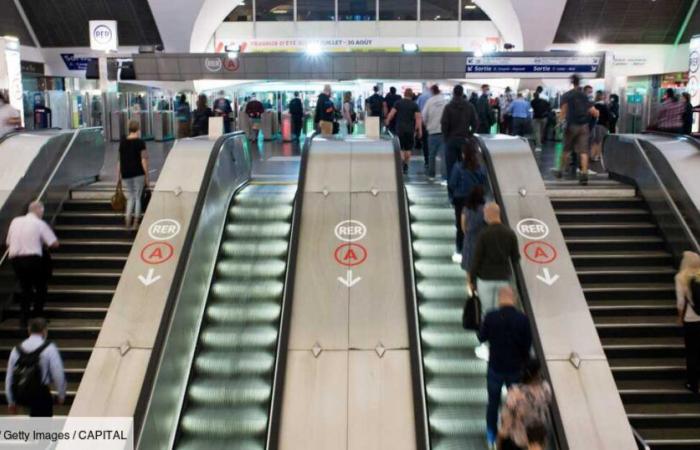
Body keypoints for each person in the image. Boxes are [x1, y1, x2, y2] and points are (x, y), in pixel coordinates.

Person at [478, 286, 532, 448]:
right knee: (515, 404)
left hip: (495, 368)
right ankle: (513, 435)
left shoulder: (491, 316)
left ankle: (491, 435)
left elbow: (481, 337)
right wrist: (523, 363)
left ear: (500, 299)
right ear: (514, 298)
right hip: (515, 370)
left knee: (493, 403)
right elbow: (526, 346)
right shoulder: (523, 319)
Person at [6, 202, 58, 327]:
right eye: (42, 212)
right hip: (33, 259)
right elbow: (54, 243)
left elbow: (8, 242)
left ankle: (23, 319)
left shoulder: (15, 221)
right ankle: (37, 316)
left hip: (15, 260)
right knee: (41, 287)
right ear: (39, 211)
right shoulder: (40, 223)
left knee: (25, 289)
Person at [5, 318, 66, 416]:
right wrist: (61, 395)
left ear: (29, 330)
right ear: (44, 331)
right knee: (42, 428)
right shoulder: (50, 348)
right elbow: (58, 374)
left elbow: (9, 377)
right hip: (41, 395)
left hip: (21, 394)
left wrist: (11, 401)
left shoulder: (16, 350)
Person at [470, 202, 520, 313]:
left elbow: (477, 259)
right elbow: (515, 258)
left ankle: (488, 329)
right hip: (504, 279)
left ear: (489, 213)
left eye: (484, 213)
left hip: (485, 279)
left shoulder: (483, 234)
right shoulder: (510, 233)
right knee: (502, 312)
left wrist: (471, 280)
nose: (484, 216)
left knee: (487, 312)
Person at [554, 74, 599, 185]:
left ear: (571, 82)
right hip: (584, 126)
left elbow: (563, 112)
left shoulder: (567, 95)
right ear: (579, 82)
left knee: (566, 149)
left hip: (571, 126)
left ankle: (560, 170)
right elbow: (594, 112)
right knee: (584, 152)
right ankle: (584, 174)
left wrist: (559, 123)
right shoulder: (584, 96)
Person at [498, 358, 552, 450]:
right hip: (537, 440)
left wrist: (499, 440)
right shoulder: (545, 388)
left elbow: (506, 422)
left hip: (519, 442)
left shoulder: (515, 394)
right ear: (537, 373)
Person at [449, 140, 486, 263]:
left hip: (460, 200)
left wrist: (452, 196)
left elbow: (452, 183)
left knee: (461, 226)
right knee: (477, 225)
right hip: (477, 200)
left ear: (463, 154)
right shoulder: (479, 168)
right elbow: (483, 182)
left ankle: (460, 250)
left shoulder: (458, 166)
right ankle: (478, 252)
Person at [441, 84, 479, 196]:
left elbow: (444, 124)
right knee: (466, 166)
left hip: (451, 140)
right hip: (464, 141)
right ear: (462, 93)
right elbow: (476, 123)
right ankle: (466, 191)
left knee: (451, 167)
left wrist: (446, 138)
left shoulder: (448, 107)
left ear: (453, 93)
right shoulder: (469, 106)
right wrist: (469, 135)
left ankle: (452, 193)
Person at [675, 251, 700, 394]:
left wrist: (679, 317)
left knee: (692, 352)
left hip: (691, 319)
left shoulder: (681, 277)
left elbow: (680, 302)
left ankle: (692, 384)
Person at [118, 119, 149, 229]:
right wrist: (147, 177)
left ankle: (127, 220)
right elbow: (144, 160)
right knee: (137, 197)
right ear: (138, 129)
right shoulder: (140, 142)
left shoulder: (123, 142)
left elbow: (119, 161)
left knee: (130, 197)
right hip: (138, 172)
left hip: (126, 173)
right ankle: (136, 222)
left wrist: (119, 176)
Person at [385, 88, 422, 174]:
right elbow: (418, 119)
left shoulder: (398, 103)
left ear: (404, 94)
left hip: (400, 129)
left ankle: (401, 160)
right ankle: (406, 164)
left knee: (400, 147)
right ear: (412, 95)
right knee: (408, 149)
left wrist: (387, 120)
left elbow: (392, 113)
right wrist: (419, 130)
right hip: (410, 129)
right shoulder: (414, 105)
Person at [422, 84, 448, 179]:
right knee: (444, 155)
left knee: (431, 155)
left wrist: (427, 125)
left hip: (432, 132)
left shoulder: (429, 101)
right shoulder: (445, 101)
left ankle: (431, 174)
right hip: (444, 132)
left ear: (432, 91)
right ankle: (444, 176)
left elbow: (424, 116)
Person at [460, 184, 486, 276]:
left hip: (469, 238)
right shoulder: (485, 209)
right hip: (481, 238)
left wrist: (467, 232)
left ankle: (469, 284)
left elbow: (463, 225)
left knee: (469, 263)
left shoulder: (466, 209)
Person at [591, 90, 611, 162]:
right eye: (603, 95)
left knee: (595, 141)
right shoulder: (603, 106)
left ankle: (593, 155)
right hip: (602, 125)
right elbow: (608, 116)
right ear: (601, 96)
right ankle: (597, 156)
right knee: (600, 141)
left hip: (595, 125)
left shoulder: (594, 105)